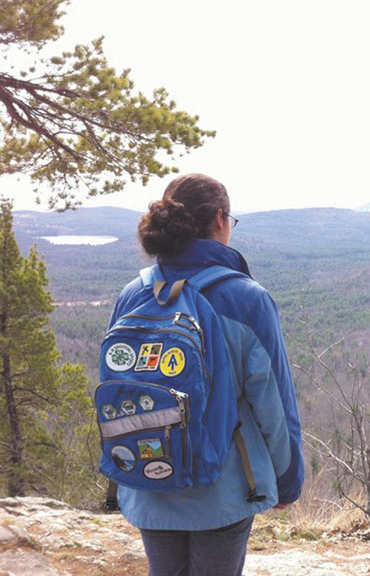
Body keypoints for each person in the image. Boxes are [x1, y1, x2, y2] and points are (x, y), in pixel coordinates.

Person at [108, 173, 304, 576]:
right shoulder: (247, 298)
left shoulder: (133, 294)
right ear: (220, 219)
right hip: (223, 488)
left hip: (148, 474)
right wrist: (288, 482)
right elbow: (274, 406)